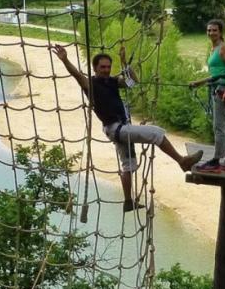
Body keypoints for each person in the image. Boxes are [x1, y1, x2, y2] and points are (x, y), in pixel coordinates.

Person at [50, 44, 203, 212]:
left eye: (108, 67)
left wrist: (124, 62)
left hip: (120, 128)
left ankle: (128, 201)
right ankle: (182, 161)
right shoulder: (91, 84)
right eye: (102, 67)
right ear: (94, 68)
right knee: (156, 133)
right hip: (117, 129)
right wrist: (65, 60)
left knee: (128, 166)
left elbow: (132, 82)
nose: (106, 70)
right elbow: (76, 75)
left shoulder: (113, 82)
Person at [189, 19, 225, 172]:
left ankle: (216, 160)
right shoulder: (214, 49)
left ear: (220, 32)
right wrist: (199, 82)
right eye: (209, 30)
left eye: (214, 30)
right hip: (219, 86)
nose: (211, 33)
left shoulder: (224, 49)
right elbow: (217, 73)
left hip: (222, 90)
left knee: (219, 127)